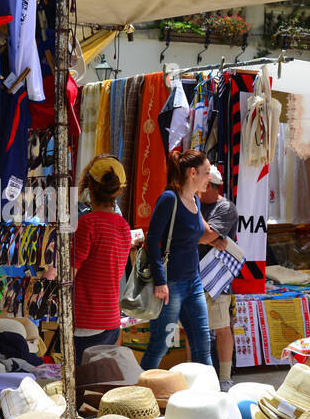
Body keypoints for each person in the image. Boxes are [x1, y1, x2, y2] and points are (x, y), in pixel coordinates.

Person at [140, 149, 212, 371]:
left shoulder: (195, 201)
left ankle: (210, 396)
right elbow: (152, 241)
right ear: (193, 173)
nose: (210, 177)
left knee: (203, 344)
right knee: (160, 345)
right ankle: (140, 394)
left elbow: (194, 238)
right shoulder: (169, 198)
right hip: (170, 285)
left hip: (194, 282)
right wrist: (161, 281)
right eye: (206, 172)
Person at [70, 155, 133, 364]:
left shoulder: (88, 224)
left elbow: (72, 270)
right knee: (99, 381)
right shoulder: (123, 226)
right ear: (118, 191)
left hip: (87, 320)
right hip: (112, 319)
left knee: (81, 382)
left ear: (90, 185)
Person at [198, 164, 239, 387]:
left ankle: (225, 377)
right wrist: (211, 239)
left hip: (217, 276)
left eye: (203, 187)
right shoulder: (194, 202)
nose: (199, 190)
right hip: (193, 274)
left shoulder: (225, 208)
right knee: (194, 328)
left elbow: (204, 234)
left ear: (212, 186)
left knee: (222, 327)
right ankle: (197, 373)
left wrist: (208, 237)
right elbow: (182, 235)